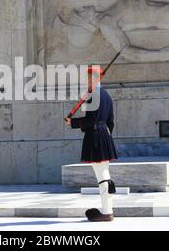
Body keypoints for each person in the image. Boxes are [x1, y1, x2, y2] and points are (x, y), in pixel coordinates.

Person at [64, 66, 118, 222]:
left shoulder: (94, 95)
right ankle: (108, 210)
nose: (87, 80)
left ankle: (107, 212)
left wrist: (72, 122)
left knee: (102, 175)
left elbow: (90, 120)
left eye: (88, 77)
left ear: (93, 78)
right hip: (104, 134)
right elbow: (111, 122)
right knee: (104, 173)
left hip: (95, 136)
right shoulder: (106, 95)